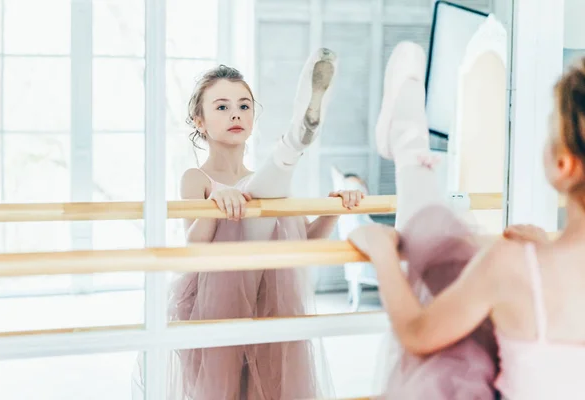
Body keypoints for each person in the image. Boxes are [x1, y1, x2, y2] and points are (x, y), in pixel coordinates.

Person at [349, 41, 585, 400]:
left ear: (563, 165)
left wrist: (383, 254)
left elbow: (417, 334)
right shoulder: (523, 264)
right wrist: (547, 249)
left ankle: (408, 143)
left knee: (446, 253)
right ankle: (409, 143)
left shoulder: (511, 266)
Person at [133, 48, 365, 400]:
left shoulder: (264, 184)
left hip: (265, 297)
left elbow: (303, 240)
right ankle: (292, 146)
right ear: (200, 121)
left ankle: (292, 145)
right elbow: (194, 248)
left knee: (266, 390)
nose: (235, 114)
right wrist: (215, 203)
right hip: (215, 302)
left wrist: (335, 208)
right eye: (222, 107)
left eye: (244, 106)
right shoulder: (196, 178)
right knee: (221, 390)